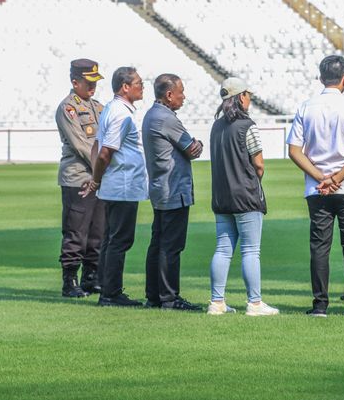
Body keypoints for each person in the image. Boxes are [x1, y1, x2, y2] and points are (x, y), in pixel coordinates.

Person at [286, 55, 344, 318]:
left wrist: (320, 177)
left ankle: (320, 305)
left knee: (320, 246)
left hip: (317, 188)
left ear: (321, 77)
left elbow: (294, 150)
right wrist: (337, 178)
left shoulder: (306, 107)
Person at [208, 77, 279, 317]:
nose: (250, 98)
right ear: (241, 97)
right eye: (248, 94)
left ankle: (216, 302)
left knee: (223, 249)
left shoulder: (216, 126)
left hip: (221, 196)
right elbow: (258, 164)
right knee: (251, 251)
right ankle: (255, 303)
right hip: (246, 196)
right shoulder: (247, 125)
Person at [81, 67, 148, 307]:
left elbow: (96, 147)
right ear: (125, 87)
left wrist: (96, 178)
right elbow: (105, 152)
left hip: (115, 184)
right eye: (139, 83)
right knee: (120, 240)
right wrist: (97, 179)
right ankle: (111, 293)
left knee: (111, 240)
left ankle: (107, 289)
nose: (143, 86)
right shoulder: (121, 113)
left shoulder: (111, 108)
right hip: (123, 185)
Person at [142, 74, 203, 311]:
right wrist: (197, 144)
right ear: (169, 94)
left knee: (157, 244)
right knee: (171, 246)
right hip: (173, 189)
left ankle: (154, 295)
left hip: (160, 187)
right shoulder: (167, 118)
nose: (184, 97)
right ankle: (169, 297)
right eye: (181, 91)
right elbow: (192, 149)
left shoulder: (151, 115)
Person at [55, 58, 105, 298]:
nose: (93, 87)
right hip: (78, 179)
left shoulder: (97, 106)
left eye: (95, 82)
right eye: (88, 83)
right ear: (75, 82)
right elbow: (81, 145)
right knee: (76, 231)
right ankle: (70, 280)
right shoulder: (68, 108)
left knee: (98, 231)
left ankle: (91, 276)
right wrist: (101, 170)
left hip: (98, 178)